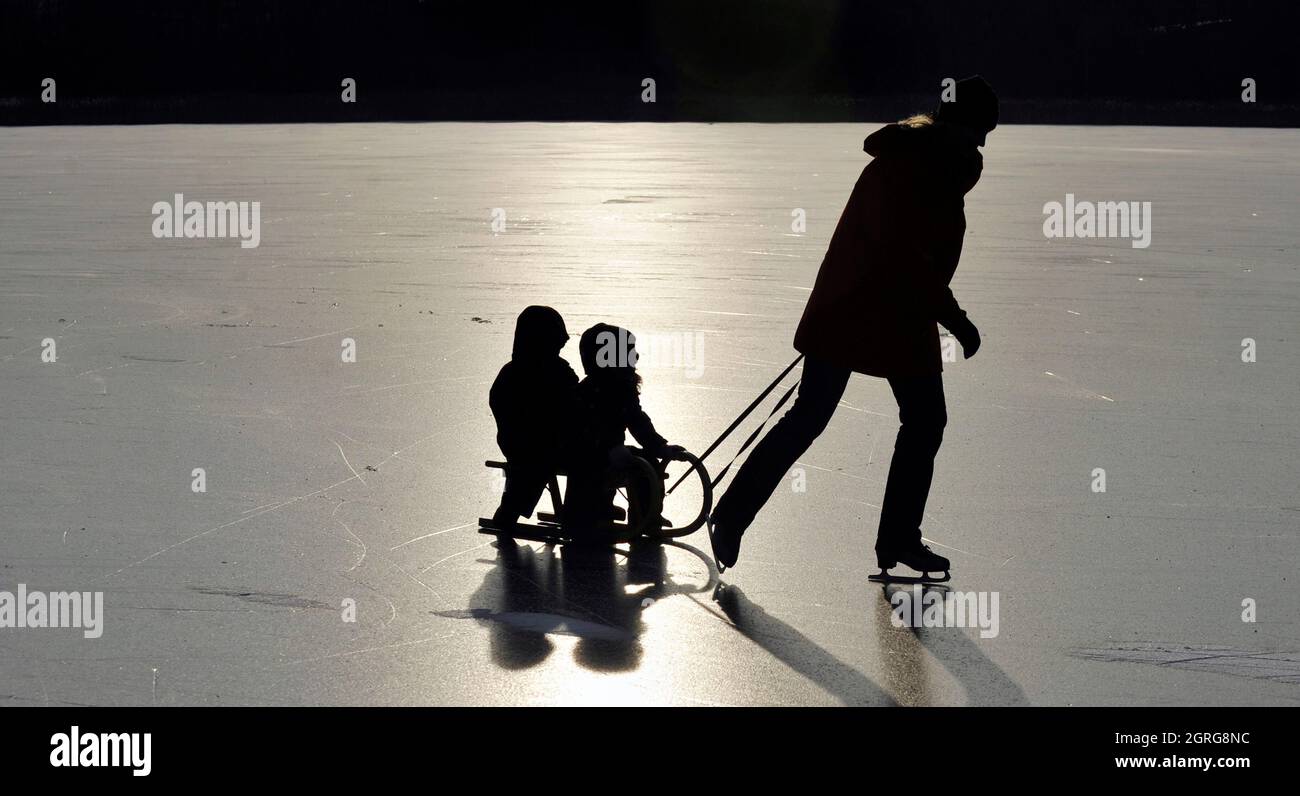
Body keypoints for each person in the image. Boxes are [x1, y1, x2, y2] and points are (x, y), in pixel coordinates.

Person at [708, 76, 998, 575]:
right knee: (817, 416)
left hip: (897, 313)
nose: (982, 142)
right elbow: (908, 260)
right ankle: (731, 516)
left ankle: (898, 540)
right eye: (977, 129)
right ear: (952, 122)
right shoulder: (910, 167)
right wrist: (957, 320)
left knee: (916, 421)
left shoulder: (939, 164)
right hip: (859, 309)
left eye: (987, 132)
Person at [565, 323, 686, 537]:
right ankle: (585, 515)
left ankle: (648, 514)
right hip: (586, 450)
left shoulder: (624, 389)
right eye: (629, 351)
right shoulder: (586, 392)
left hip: (612, 449)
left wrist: (659, 446)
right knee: (590, 466)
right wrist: (609, 448)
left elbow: (638, 421)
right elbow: (583, 428)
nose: (636, 356)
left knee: (647, 461)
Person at [489, 305, 578, 530]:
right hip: (534, 444)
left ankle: (588, 505)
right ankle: (580, 509)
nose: (559, 348)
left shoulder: (517, 371)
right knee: (540, 462)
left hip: (535, 442)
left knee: (539, 459)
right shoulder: (551, 373)